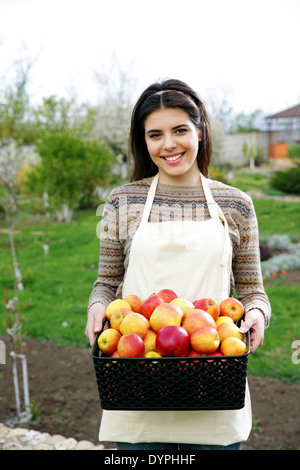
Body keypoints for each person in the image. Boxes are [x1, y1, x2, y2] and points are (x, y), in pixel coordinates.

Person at [85, 78, 271, 450]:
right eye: (155, 134)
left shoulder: (235, 204)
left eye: (180, 130)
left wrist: (256, 314)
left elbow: (253, 291)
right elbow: (107, 282)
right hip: (137, 382)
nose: (168, 144)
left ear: (200, 131)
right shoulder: (123, 202)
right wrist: (96, 306)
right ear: (144, 142)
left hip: (215, 378)